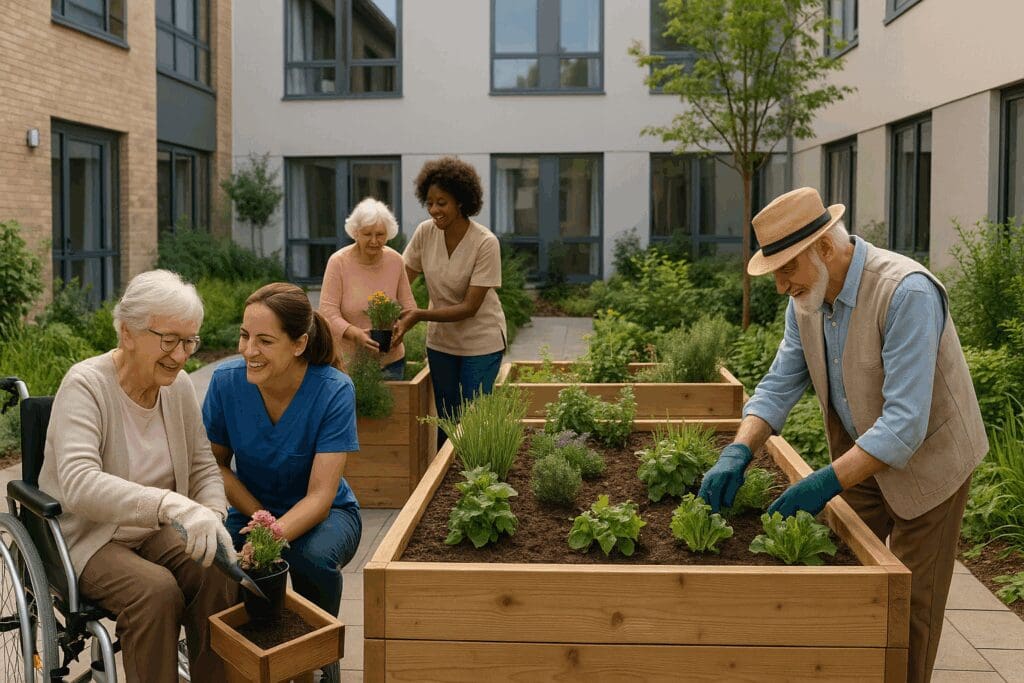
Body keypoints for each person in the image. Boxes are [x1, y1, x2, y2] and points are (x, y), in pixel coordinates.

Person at [698, 187, 988, 683]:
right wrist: (738, 448)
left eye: (787, 269)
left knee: (909, 606)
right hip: (864, 457)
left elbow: (903, 426)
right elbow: (777, 386)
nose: (780, 285)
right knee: (845, 580)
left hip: (931, 464)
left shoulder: (905, 292)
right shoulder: (807, 301)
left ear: (826, 249)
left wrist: (823, 482)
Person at [37, 269, 237, 682]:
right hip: (94, 537)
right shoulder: (86, 385)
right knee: (155, 592)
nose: (181, 356)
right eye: (168, 340)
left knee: (215, 566)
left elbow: (203, 465)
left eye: (189, 341)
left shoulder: (177, 386)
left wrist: (212, 516)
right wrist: (170, 503)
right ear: (127, 333)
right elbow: (78, 480)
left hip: (157, 531)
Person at [201, 283, 361, 625]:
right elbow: (215, 465)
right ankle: (247, 658)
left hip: (328, 514)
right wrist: (260, 519)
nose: (249, 350)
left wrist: (270, 536)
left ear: (299, 344)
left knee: (311, 558)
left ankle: (321, 657)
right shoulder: (226, 383)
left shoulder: (334, 391)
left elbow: (320, 496)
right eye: (245, 336)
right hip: (250, 510)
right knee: (217, 562)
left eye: (265, 341)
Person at [393, 156, 507, 447]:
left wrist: (417, 315)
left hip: (480, 342)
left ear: (461, 202)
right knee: (445, 419)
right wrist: (382, 309)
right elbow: (401, 279)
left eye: (442, 202)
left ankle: (481, 482)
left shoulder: (485, 243)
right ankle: (446, 488)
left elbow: (470, 308)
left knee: (474, 420)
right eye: (429, 202)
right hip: (442, 342)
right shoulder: (425, 233)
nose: (434, 210)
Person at [319, 197, 416, 379]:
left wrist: (401, 328)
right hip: (348, 363)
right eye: (367, 234)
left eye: (380, 234)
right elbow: (327, 312)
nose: (374, 241)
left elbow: (409, 308)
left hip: (391, 362)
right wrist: (356, 334)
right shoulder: (338, 262)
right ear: (355, 233)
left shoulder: (395, 261)